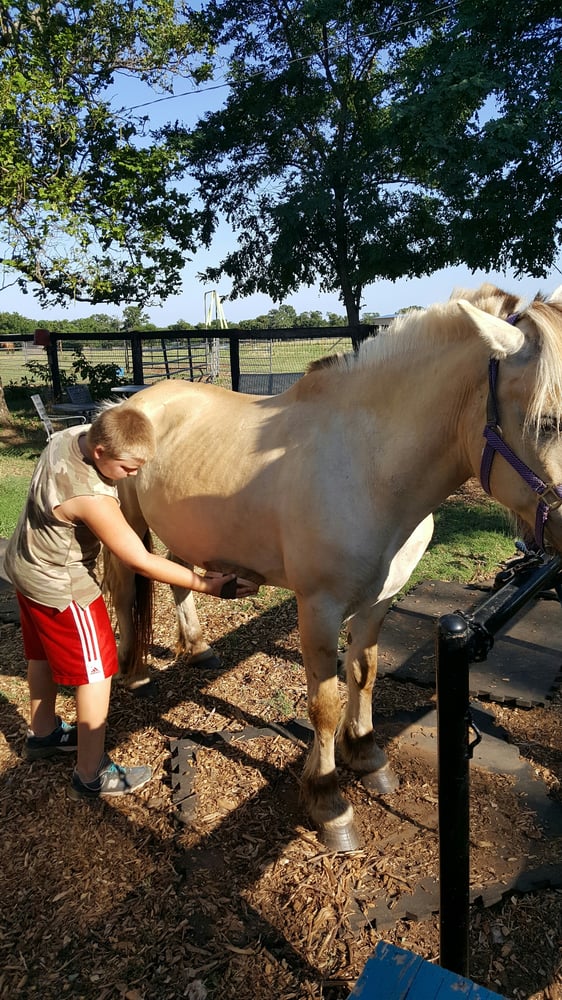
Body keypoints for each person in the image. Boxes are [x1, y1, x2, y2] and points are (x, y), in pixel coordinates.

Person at [4, 404, 258, 800]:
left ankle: (43, 734)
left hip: (24, 564)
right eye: (128, 468)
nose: (135, 476)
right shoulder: (90, 497)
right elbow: (138, 559)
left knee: (40, 656)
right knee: (97, 673)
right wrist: (208, 585)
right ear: (102, 453)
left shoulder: (67, 437)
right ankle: (90, 773)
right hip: (63, 586)